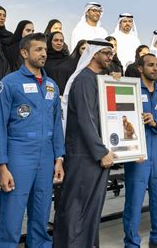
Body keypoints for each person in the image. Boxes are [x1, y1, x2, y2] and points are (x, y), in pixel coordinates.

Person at [0, 32, 65, 248]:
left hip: (46, 156)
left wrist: (59, 158)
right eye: (38, 50)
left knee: (42, 209)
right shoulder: (10, 83)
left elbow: (56, 124)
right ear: (25, 53)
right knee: (12, 212)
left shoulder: (52, 85)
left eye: (45, 49)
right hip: (19, 154)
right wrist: (2, 166)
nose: (44, 53)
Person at [54, 39, 116, 248]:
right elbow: (84, 119)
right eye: (106, 53)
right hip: (84, 154)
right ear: (94, 54)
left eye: (111, 53)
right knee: (77, 207)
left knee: (91, 208)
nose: (110, 57)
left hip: (95, 154)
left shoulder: (96, 79)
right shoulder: (83, 80)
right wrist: (101, 152)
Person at [122, 53, 157, 248]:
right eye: (150, 65)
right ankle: (131, 243)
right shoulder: (130, 90)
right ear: (140, 68)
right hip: (137, 151)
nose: (155, 68)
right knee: (134, 200)